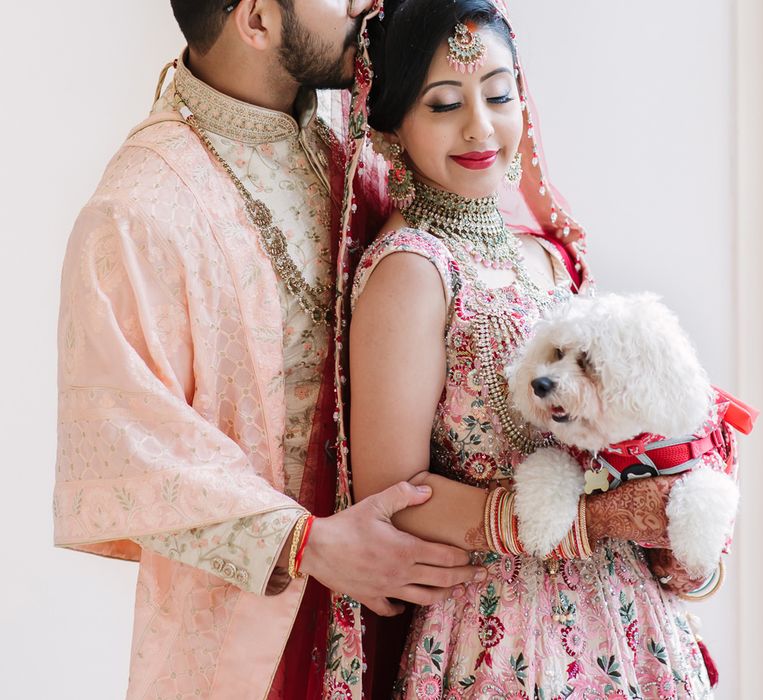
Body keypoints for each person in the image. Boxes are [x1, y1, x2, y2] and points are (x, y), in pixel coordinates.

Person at [52, 1, 488, 698]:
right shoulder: (139, 211)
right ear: (256, 19)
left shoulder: (354, 156)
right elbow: (127, 444)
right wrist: (309, 544)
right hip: (261, 639)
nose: (364, 4)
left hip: (426, 625)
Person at [343, 0, 730, 697]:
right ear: (394, 123)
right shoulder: (412, 269)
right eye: (443, 104)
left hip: (631, 626)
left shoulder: (547, 258)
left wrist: (681, 536)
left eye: (498, 94)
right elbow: (392, 497)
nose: (480, 127)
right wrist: (594, 520)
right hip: (504, 638)